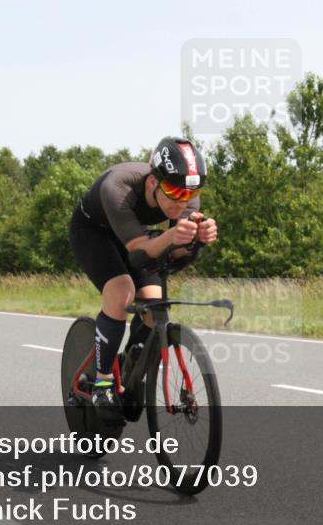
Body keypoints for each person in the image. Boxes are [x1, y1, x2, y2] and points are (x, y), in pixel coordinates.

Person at [69, 137, 218, 422]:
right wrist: (171, 237)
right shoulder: (119, 187)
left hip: (137, 235)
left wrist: (198, 241)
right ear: (152, 182)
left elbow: (174, 256)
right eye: (173, 191)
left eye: (190, 193)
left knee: (154, 301)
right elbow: (139, 249)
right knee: (121, 289)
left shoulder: (185, 193)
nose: (181, 202)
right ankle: (102, 383)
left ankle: (132, 363)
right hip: (94, 232)